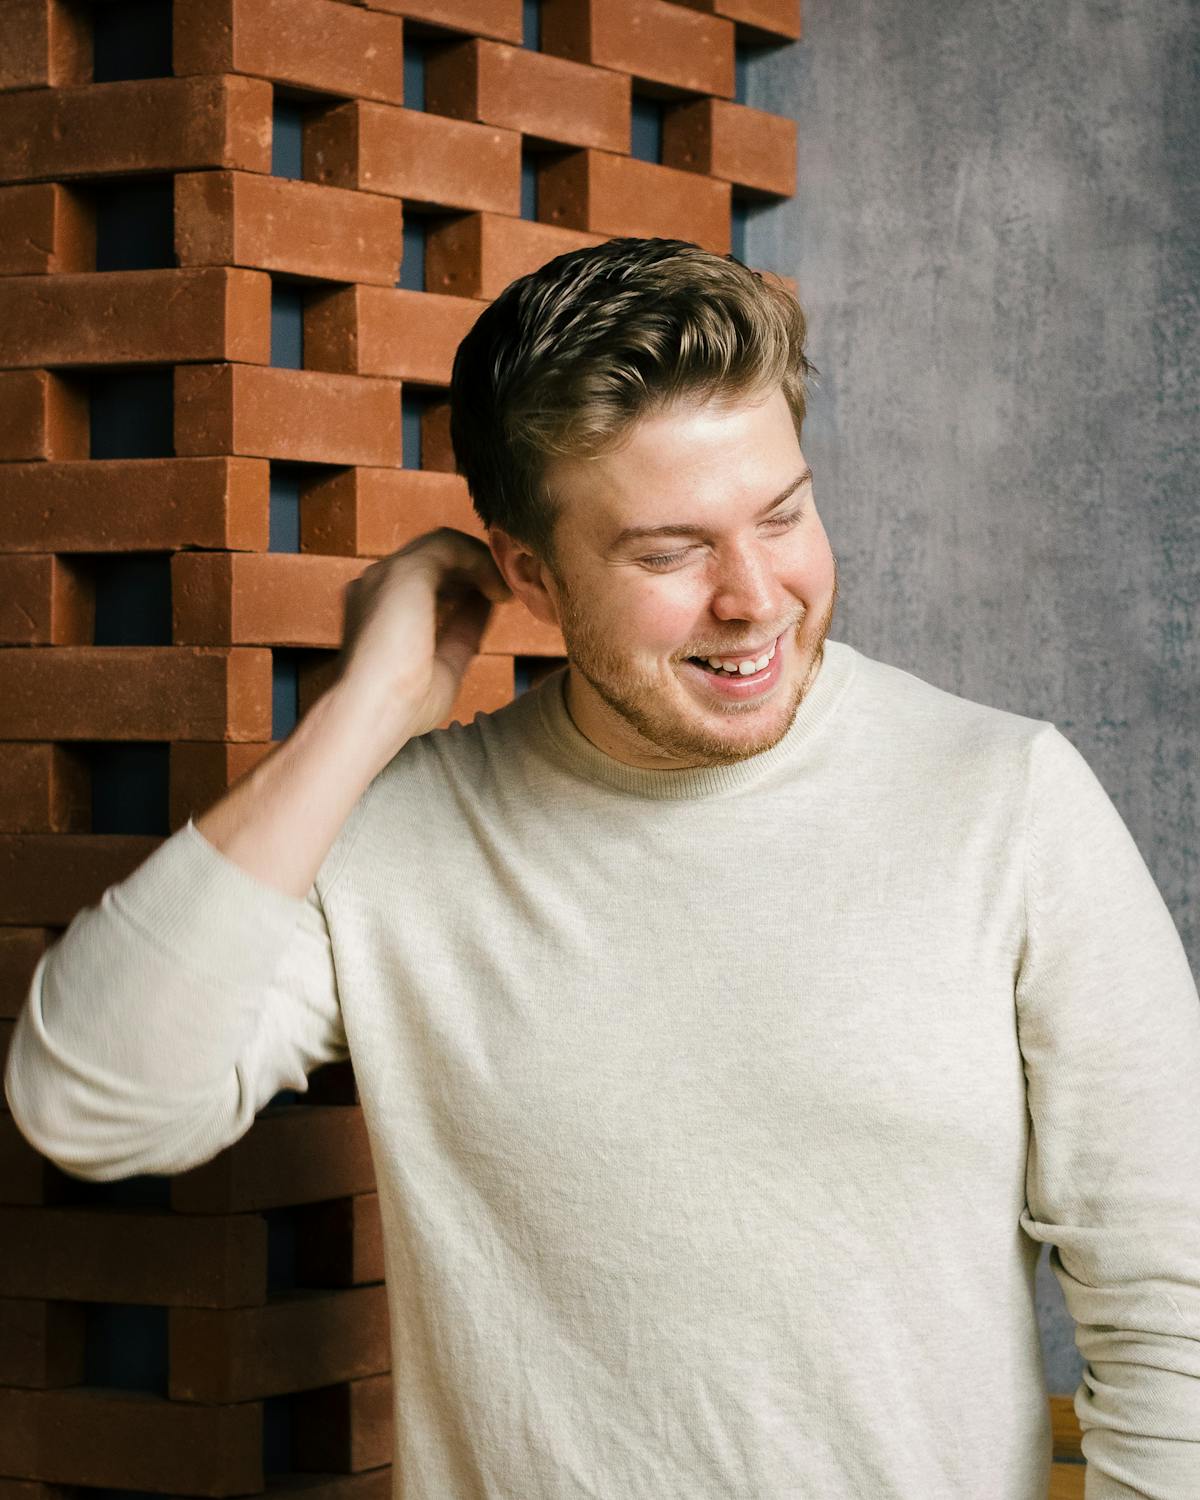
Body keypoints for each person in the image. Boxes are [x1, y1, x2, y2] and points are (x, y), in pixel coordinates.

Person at [5, 237, 1198, 1500]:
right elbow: (91, 1101)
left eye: (783, 515)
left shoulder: (1003, 796)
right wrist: (363, 714)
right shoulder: (406, 836)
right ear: (530, 572)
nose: (756, 598)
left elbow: (1175, 1293)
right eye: (669, 552)